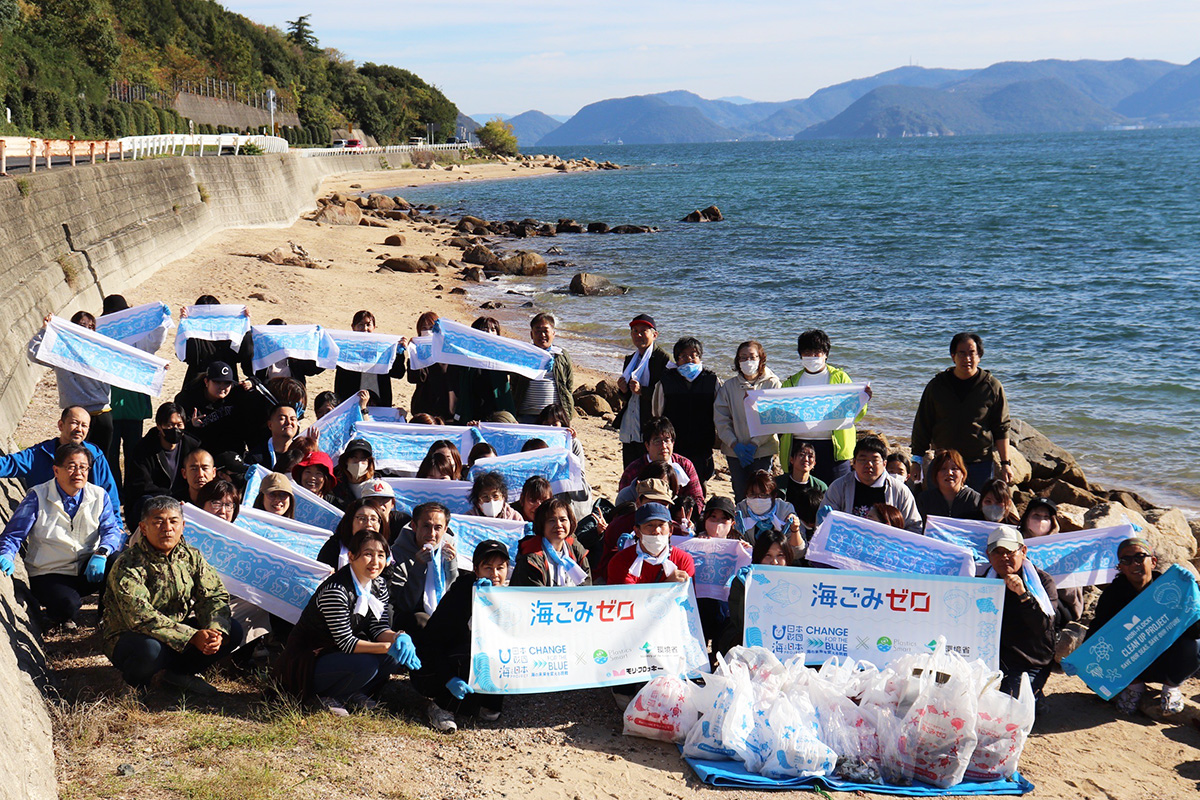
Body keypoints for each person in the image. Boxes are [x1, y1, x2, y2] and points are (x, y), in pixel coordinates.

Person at [102, 496, 241, 694]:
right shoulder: (128, 564)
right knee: (150, 650)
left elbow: (213, 596)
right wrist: (192, 636)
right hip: (132, 636)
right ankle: (136, 683)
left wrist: (214, 630)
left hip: (177, 635)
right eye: (158, 521)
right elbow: (139, 617)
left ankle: (178, 674)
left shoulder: (192, 556)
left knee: (232, 630)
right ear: (143, 527)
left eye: (173, 521)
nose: (167, 528)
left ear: (183, 526)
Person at [277, 528, 421, 716]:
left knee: (393, 657)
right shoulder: (336, 590)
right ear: (351, 556)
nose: (375, 562)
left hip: (337, 655)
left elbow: (378, 627)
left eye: (381, 555)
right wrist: (387, 646)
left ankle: (351, 693)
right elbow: (346, 642)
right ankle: (320, 696)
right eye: (368, 554)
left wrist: (399, 636)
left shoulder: (377, 585)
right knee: (367, 663)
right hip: (308, 661)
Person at [0, 444, 126, 629]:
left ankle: (106, 618)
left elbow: (112, 530)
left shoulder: (98, 495)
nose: (78, 472)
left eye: (83, 467)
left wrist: (102, 552)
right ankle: (58, 612)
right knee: (68, 605)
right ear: (56, 470)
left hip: (87, 567)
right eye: (71, 466)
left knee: (118, 560)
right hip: (50, 572)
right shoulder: (38, 496)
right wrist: (6, 554)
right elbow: (14, 534)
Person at [1088, 538, 1200, 716]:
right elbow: (1097, 633)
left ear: (1153, 561)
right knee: (1094, 658)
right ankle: (1135, 687)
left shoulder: (1173, 588)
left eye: (1140, 557)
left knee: (1194, 643)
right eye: (1126, 560)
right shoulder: (1112, 595)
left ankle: (1171, 688)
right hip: (1130, 665)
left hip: (1168, 661)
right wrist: (1078, 661)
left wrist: (1193, 596)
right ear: (1120, 567)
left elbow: (1196, 630)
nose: (1134, 564)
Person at [414, 540, 509, 732]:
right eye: (488, 568)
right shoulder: (461, 593)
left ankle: (478, 700)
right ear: (476, 569)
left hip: (466, 665)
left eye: (500, 568)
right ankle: (441, 706)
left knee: (491, 710)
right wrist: (448, 678)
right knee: (475, 649)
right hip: (435, 666)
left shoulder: (508, 595)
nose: (495, 574)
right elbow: (434, 642)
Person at [912, 332, 1015, 491]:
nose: (967, 358)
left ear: (979, 356)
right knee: (939, 510)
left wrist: (1005, 464)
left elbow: (1001, 428)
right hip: (943, 462)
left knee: (975, 511)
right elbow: (922, 424)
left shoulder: (992, 386)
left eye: (972, 353)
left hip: (979, 464)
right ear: (953, 356)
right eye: (962, 353)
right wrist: (916, 461)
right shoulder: (937, 386)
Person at [0, 406, 122, 526]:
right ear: (61, 425)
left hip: (87, 526)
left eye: (84, 425)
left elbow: (109, 493)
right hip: (47, 526)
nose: (79, 429)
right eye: (74, 423)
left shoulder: (95, 456)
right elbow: (7, 464)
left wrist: (117, 526)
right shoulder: (39, 454)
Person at [776, 330, 868, 486]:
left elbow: (856, 414)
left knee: (836, 495)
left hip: (833, 448)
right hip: (799, 445)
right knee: (800, 496)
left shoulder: (840, 378)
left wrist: (864, 399)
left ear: (826, 354)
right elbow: (779, 416)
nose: (812, 357)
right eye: (807, 352)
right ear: (800, 355)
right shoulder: (791, 382)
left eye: (817, 352)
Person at [101, 294, 167, 495]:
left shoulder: (138, 338)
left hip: (132, 404)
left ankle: (131, 491)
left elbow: (155, 341)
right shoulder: (101, 336)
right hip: (110, 404)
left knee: (133, 452)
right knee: (110, 453)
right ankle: (115, 493)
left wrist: (161, 319)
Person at [984, 525, 1057, 702]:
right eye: (997, 552)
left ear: (1023, 551)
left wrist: (1023, 595)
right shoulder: (982, 583)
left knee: (1010, 706)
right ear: (989, 556)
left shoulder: (1042, 583)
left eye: (1009, 551)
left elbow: (1043, 626)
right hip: (993, 659)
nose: (1004, 557)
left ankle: (1035, 697)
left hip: (1030, 661)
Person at [27, 311, 115, 453]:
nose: (87, 328)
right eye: (82, 325)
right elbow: (33, 352)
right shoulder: (60, 353)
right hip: (75, 417)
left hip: (101, 414)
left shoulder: (101, 351)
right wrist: (46, 329)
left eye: (91, 326)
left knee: (99, 462)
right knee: (73, 459)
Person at [714, 340, 782, 501]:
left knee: (762, 494)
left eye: (752, 357)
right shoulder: (729, 387)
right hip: (734, 451)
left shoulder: (773, 384)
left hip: (763, 450)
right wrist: (733, 443)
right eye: (743, 357)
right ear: (737, 361)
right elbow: (721, 419)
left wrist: (755, 443)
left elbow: (774, 418)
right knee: (740, 493)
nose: (748, 361)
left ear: (761, 358)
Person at [651, 337, 719, 487]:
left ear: (700, 357)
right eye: (683, 356)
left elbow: (720, 413)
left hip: (702, 445)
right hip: (675, 445)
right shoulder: (665, 382)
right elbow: (657, 415)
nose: (689, 359)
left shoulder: (712, 381)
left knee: (699, 484)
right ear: (677, 360)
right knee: (673, 484)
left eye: (693, 355)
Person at [715, 529, 790, 656]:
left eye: (780, 555)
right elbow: (739, 621)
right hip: (748, 633)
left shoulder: (797, 580)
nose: (774, 562)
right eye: (768, 556)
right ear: (759, 557)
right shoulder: (743, 579)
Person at [824, 437, 922, 533]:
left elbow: (914, 527)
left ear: (884, 464)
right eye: (863, 460)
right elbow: (824, 523)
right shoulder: (839, 486)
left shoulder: (900, 490)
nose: (869, 464)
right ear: (854, 463)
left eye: (875, 460)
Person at [387, 502, 458, 633]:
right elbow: (404, 604)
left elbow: (452, 588)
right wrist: (418, 567)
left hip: (442, 609)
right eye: (426, 526)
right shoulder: (397, 553)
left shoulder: (448, 546)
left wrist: (451, 564)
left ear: (445, 529)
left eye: (438, 528)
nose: (431, 534)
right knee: (422, 621)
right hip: (411, 614)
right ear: (414, 526)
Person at [125, 402, 200, 525]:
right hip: (156, 502)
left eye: (179, 425)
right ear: (159, 426)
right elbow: (141, 485)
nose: (175, 429)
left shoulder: (192, 446)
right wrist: (172, 500)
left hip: (184, 502)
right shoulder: (143, 448)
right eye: (169, 425)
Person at [599, 475, 687, 578]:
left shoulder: (675, 528)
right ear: (638, 502)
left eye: (663, 504)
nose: (656, 508)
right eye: (652, 502)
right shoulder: (619, 525)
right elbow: (607, 567)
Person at [615, 314, 671, 467]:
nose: (638, 335)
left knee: (651, 470)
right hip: (630, 424)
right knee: (630, 469)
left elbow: (668, 392)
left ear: (655, 334)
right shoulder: (630, 359)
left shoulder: (663, 359)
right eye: (634, 331)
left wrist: (643, 391)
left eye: (643, 331)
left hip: (649, 424)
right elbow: (627, 397)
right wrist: (623, 389)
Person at [1017, 497, 1082, 626]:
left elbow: (1070, 593)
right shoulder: (1015, 543)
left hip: (1057, 602)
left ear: (1052, 521)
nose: (1041, 521)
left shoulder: (1061, 548)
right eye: (1036, 515)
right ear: (1027, 518)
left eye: (1046, 517)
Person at [616, 417, 704, 510]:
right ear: (647, 445)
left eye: (667, 440)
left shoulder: (685, 465)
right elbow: (624, 505)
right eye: (657, 441)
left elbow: (697, 499)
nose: (663, 446)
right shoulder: (634, 470)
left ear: (673, 443)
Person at [174, 361, 252, 458]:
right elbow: (178, 432)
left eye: (227, 383)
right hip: (201, 452)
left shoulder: (236, 392)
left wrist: (252, 382)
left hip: (231, 451)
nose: (222, 387)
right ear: (206, 382)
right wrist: (192, 425)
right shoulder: (188, 398)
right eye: (217, 382)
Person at [333, 310, 409, 409]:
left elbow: (398, 373)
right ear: (353, 327)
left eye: (368, 325)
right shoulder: (345, 346)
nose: (365, 329)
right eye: (360, 325)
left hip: (380, 401)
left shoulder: (384, 347)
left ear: (374, 327)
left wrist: (398, 353)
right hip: (349, 400)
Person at [606, 502, 695, 585]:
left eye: (661, 525)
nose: (656, 531)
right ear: (637, 531)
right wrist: (667, 586)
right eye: (649, 525)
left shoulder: (683, 560)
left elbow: (687, 598)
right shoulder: (620, 562)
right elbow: (627, 598)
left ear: (671, 530)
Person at [511, 498, 591, 586]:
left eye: (563, 520)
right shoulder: (530, 558)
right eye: (551, 521)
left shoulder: (576, 550)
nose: (558, 525)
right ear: (541, 525)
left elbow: (586, 587)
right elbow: (535, 595)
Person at [512, 313, 575, 423]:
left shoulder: (561, 355)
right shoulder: (523, 355)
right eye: (537, 331)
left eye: (546, 330)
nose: (542, 335)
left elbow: (568, 386)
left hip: (553, 416)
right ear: (531, 335)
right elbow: (514, 383)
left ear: (553, 333)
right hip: (526, 414)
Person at [455, 317, 516, 423]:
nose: (489, 333)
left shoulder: (502, 357)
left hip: (498, 413)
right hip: (472, 412)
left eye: (493, 330)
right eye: (484, 330)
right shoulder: (465, 357)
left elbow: (520, 367)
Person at [733, 470, 805, 562]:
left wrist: (795, 529)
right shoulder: (741, 510)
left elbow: (798, 553)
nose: (758, 499)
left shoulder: (785, 510)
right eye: (753, 495)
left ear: (774, 495)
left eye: (763, 495)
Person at [238, 317, 325, 388]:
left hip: (292, 390)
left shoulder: (295, 354)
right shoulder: (260, 355)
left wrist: (324, 348)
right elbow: (248, 370)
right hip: (267, 391)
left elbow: (311, 369)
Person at [179, 295, 243, 388]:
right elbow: (184, 356)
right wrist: (185, 327)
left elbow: (242, 355)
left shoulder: (230, 335)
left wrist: (244, 326)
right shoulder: (193, 335)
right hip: (197, 388)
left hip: (226, 386)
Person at [407, 311, 454, 420]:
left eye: (432, 327)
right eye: (424, 328)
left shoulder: (448, 351)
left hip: (447, 409)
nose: (428, 331)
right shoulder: (417, 352)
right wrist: (415, 355)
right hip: (424, 407)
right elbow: (415, 378)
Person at [317, 499, 388, 570]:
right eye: (362, 518)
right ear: (350, 521)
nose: (368, 524)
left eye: (373, 519)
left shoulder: (385, 550)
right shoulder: (334, 546)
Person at [915, 449, 982, 522]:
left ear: (962, 473)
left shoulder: (974, 499)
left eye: (954, 469)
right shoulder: (924, 500)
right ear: (936, 475)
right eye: (943, 469)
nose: (949, 473)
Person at [246, 403, 303, 472]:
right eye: (282, 418)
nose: (289, 422)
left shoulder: (302, 453)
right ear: (270, 425)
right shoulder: (256, 457)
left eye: (292, 419)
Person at [776, 441, 828, 508]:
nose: (806, 459)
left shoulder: (820, 487)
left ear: (814, 463)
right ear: (791, 460)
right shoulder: (778, 483)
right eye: (801, 455)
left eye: (810, 456)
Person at [331, 439, 376, 508]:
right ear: (346, 461)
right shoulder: (336, 486)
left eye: (363, 459)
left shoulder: (376, 487)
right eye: (354, 457)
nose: (359, 463)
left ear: (369, 463)